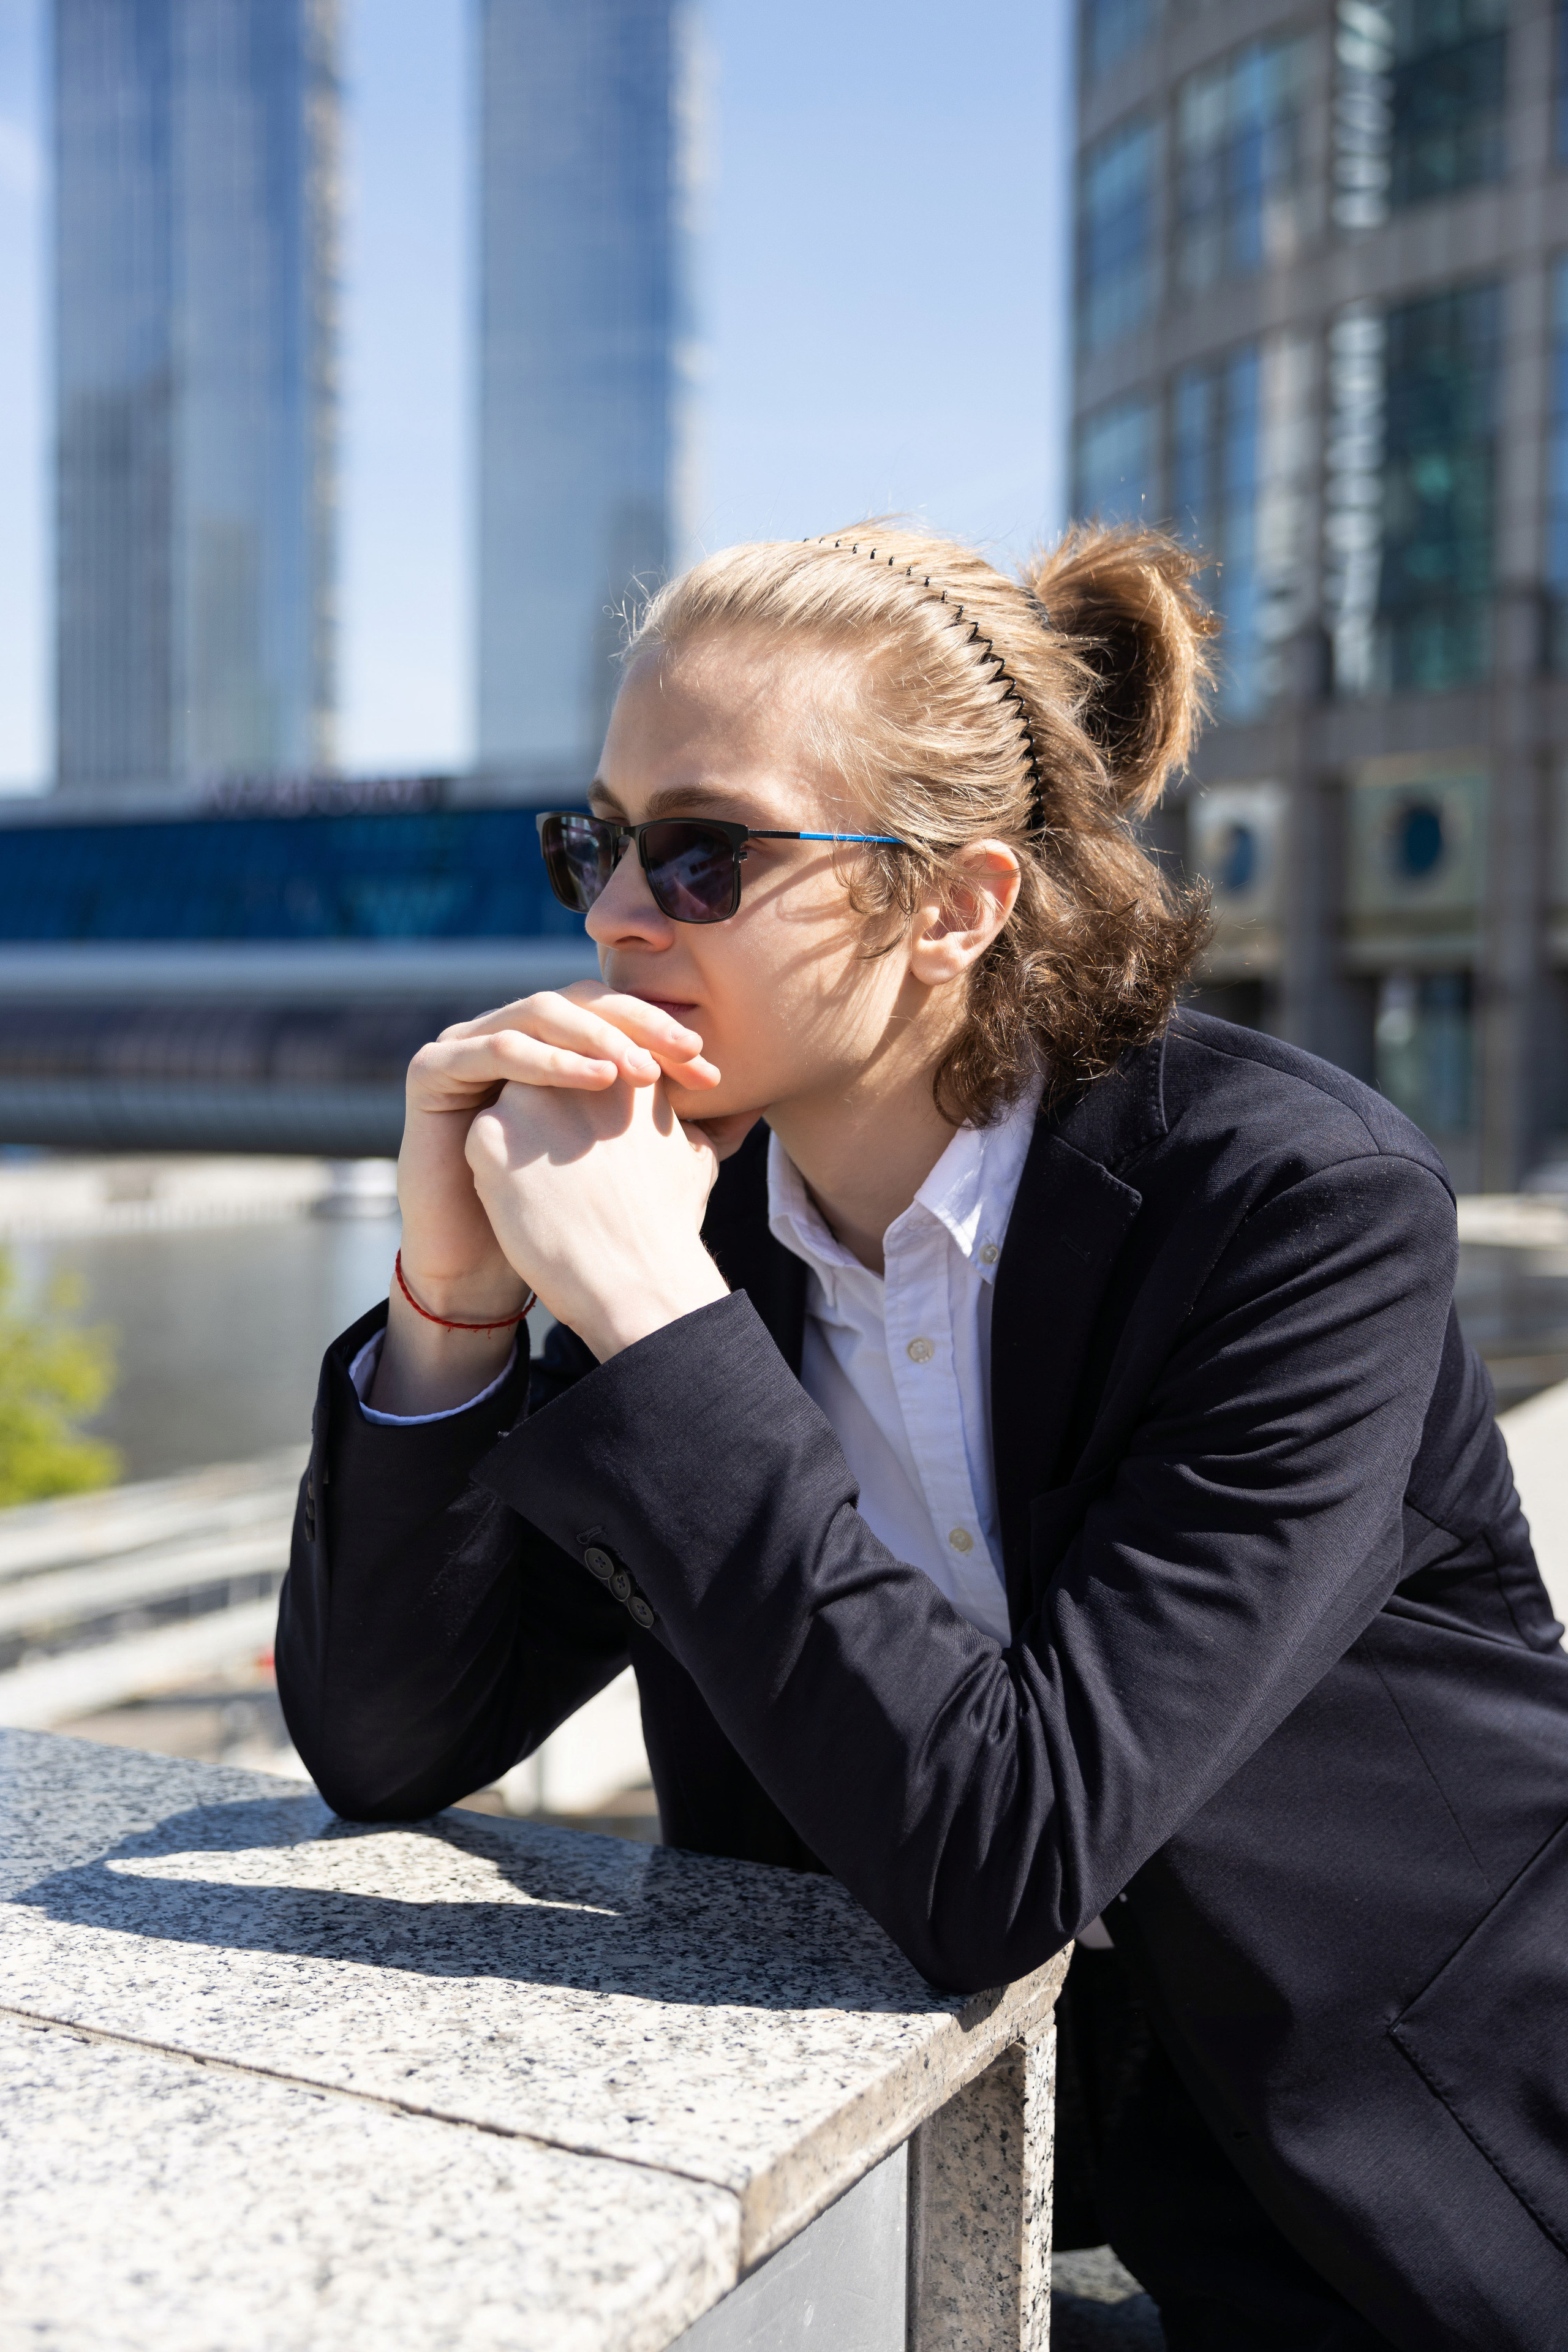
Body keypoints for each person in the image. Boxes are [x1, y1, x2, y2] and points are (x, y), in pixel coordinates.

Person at [276, 523, 1568, 2351]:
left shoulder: (1295, 1205)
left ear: (953, 906)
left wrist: (649, 1314)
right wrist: (453, 1296)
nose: (619, 914)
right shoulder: (705, 1223)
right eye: (598, 842)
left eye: (706, 853)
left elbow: (1008, 1854)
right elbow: (388, 1738)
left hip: (1407, 2180)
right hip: (929, 2183)